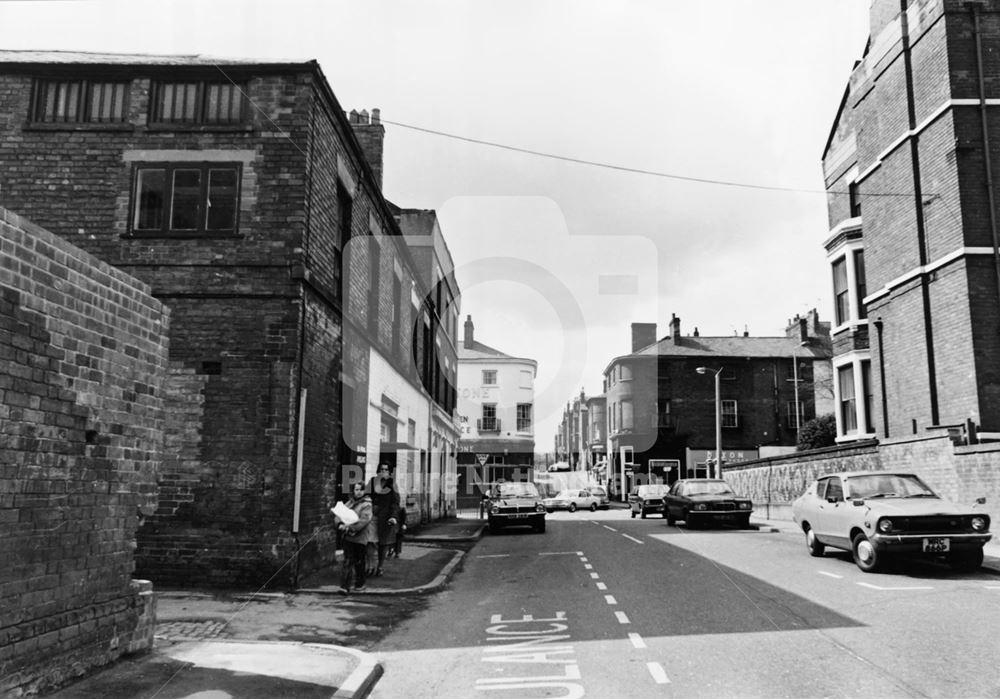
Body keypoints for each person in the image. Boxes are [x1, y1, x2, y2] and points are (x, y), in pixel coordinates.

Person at [334, 481, 372, 594]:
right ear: (353, 491)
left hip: (360, 538)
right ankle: (345, 586)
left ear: (364, 491)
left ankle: (360, 583)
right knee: (347, 561)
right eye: (356, 489)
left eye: (361, 489)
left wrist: (350, 528)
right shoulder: (349, 503)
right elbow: (338, 514)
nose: (359, 492)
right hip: (348, 538)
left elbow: (364, 520)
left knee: (359, 561)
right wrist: (339, 524)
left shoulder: (367, 504)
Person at [368, 463, 400, 576]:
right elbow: (366, 497)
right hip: (372, 516)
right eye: (381, 469)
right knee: (370, 541)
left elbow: (395, 503)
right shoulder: (372, 482)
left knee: (383, 544)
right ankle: (371, 565)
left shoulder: (393, 485)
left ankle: (380, 566)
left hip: (385, 518)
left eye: (386, 470)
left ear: (390, 472)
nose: (383, 471)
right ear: (378, 471)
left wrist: (393, 517)